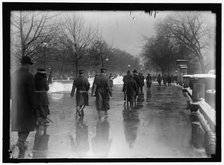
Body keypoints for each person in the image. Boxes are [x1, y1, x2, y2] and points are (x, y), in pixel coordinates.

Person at [11, 56, 38, 158]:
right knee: (27, 126)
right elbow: (31, 94)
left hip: (16, 105)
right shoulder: (28, 76)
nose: (30, 67)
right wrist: (35, 106)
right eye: (29, 65)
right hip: (26, 106)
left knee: (20, 125)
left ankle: (21, 142)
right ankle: (20, 142)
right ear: (27, 64)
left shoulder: (13, 75)